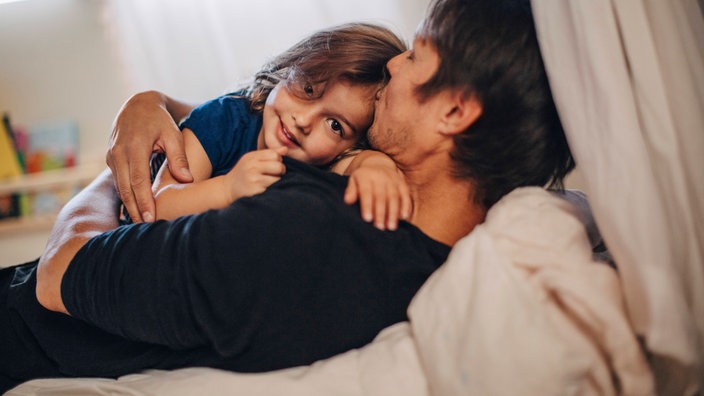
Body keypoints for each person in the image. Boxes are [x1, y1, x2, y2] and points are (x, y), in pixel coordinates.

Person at [0, 0, 574, 392]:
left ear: (454, 110)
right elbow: (239, 120)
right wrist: (154, 108)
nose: (394, 66)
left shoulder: (303, 234)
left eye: (416, 55)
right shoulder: (409, 235)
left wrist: (120, 164)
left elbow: (59, 275)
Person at [119, 23, 411, 230]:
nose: (304, 121)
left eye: (335, 125)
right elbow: (157, 206)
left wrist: (376, 166)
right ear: (290, 67)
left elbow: (354, 163)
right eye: (308, 89)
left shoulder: (321, 158)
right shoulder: (225, 119)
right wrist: (228, 189)